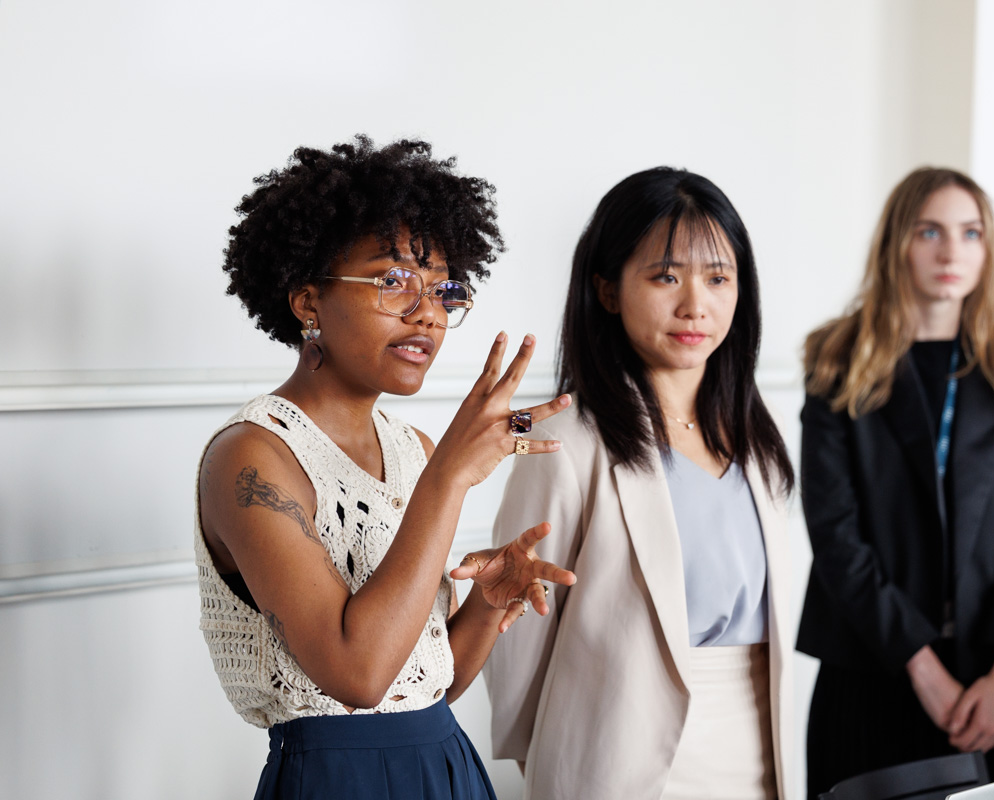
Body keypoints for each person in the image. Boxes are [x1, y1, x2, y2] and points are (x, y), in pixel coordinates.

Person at [194, 136, 576, 800]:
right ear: (308, 301)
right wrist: (449, 480)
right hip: (336, 780)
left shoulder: (413, 451)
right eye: (394, 281)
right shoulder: (251, 456)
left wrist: (485, 608)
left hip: (444, 765)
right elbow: (359, 676)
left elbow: (427, 682)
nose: (427, 311)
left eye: (443, 291)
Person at [484, 167, 796, 800]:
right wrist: (555, 765)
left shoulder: (760, 443)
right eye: (665, 276)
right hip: (616, 762)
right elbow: (517, 642)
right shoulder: (566, 440)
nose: (695, 305)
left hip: (761, 758)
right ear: (607, 289)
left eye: (717, 277)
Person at [795, 167, 994, 797]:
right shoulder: (837, 357)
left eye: (970, 233)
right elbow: (836, 537)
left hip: (991, 681)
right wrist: (921, 667)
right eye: (930, 231)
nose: (951, 251)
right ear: (897, 244)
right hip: (871, 669)